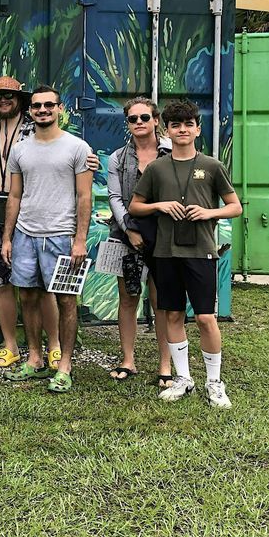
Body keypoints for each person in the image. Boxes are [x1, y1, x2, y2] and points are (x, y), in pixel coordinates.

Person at [0, 76, 101, 370]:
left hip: (43, 222)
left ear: (22, 102)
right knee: (5, 284)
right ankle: (11, 348)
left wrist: (90, 162)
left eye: (9, 96)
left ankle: (54, 347)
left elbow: (71, 160)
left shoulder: (38, 130)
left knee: (47, 289)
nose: (3, 101)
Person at [130, 100, 242, 408]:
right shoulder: (156, 168)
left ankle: (214, 383)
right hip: (166, 252)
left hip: (201, 252)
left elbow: (235, 206)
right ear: (167, 130)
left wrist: (208, 213)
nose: (182, 130)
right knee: (173, 314)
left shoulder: (212, 166)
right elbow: (135, 206)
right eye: (176, 125)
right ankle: (183, 378)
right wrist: (159, 206)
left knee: (206, 317)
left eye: (188, 124)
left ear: (197, 129)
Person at [0, 85, 93, 393]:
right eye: (37, 106)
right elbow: (14, 195)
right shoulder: (20, 149)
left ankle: (64, 366)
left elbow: (84, 196)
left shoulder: (77, 148)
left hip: (61, 237)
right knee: (27, 296)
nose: (42, 110)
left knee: (66, 301)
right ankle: (35, 358)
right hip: (26, 235)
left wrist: (79, 240)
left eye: (48, 105)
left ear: (59, 108)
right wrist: (8, 237)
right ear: (30, 110)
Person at [106, 97, 171, 385]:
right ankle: (128, 360)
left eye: (145, 117)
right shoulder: (117, 158)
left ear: (156, 120)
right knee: (128, 297)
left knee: (162, 301)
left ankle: (166, 365)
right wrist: (130, 229)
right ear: (128, 124)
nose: (139, 123)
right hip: (125, 235)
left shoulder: (172, 153)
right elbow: (114, 197)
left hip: (166, 236)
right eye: (133, 119)